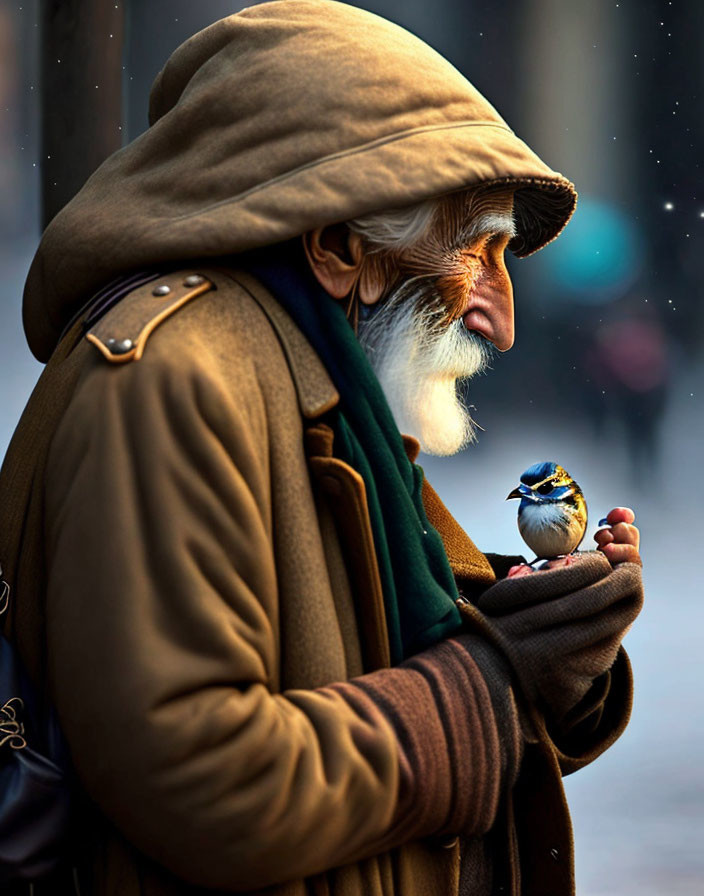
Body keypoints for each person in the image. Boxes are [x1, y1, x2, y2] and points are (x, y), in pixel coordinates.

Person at [0, 2, 643, 894]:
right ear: (341, 246)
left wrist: (552, 640)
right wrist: (490, 691)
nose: (501, 318)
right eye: (476, 252)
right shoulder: (179, 378)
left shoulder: (312, 368)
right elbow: (203, 783)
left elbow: (367, 639)